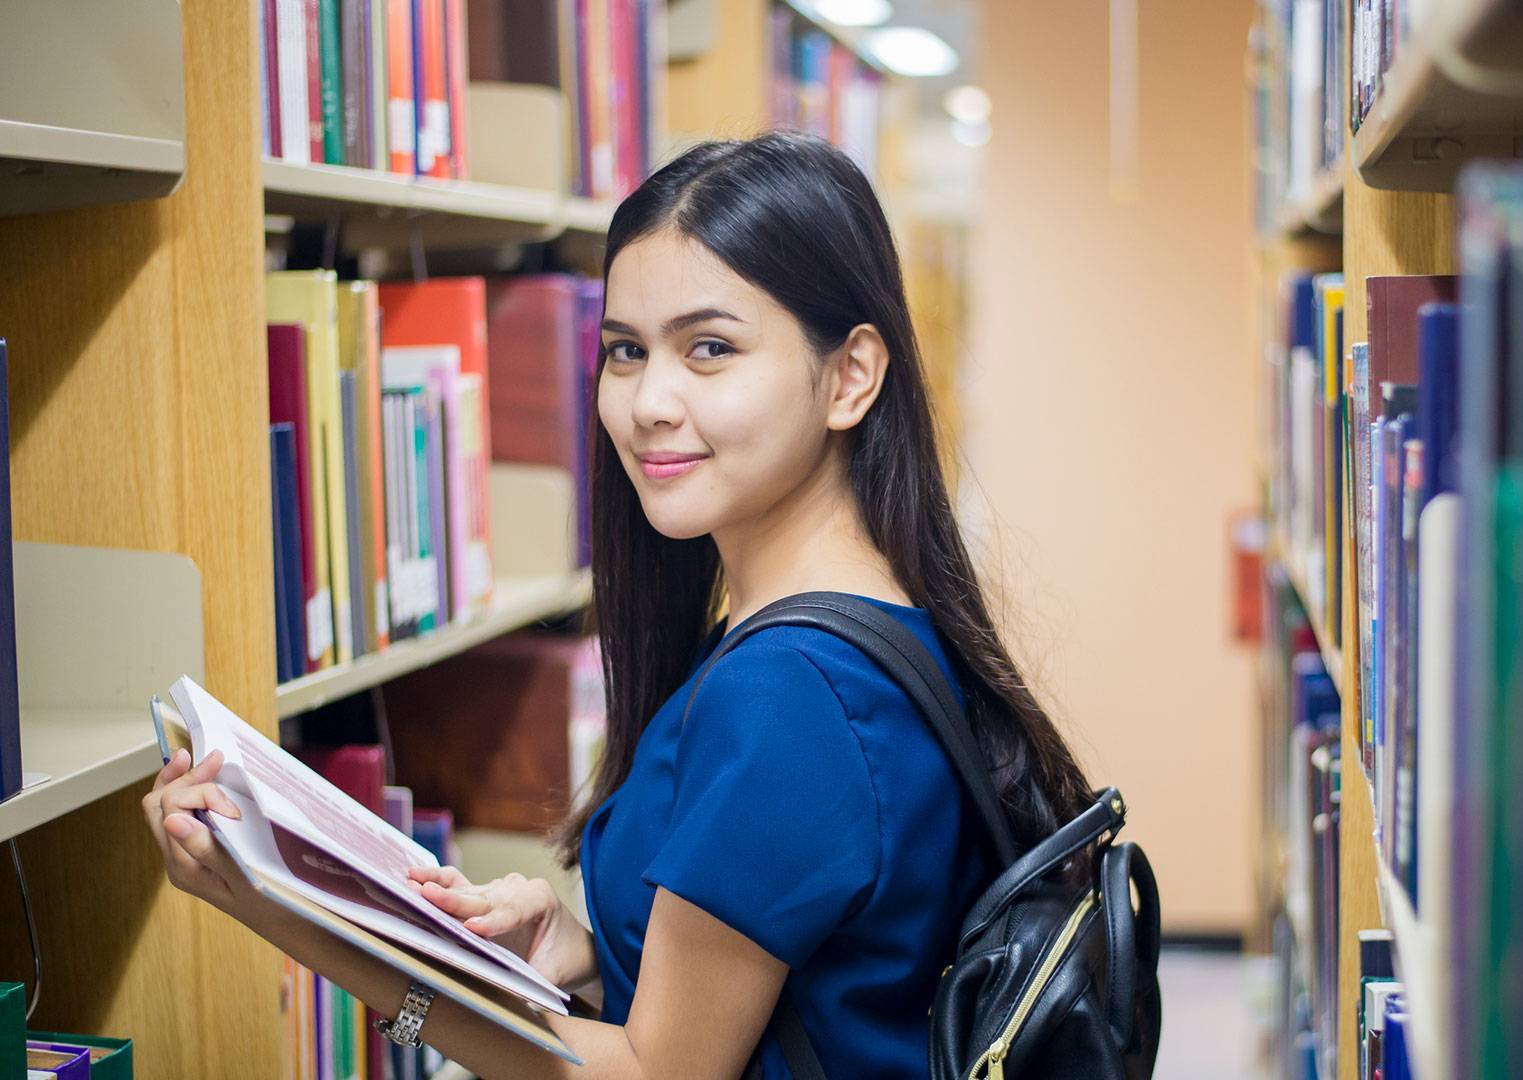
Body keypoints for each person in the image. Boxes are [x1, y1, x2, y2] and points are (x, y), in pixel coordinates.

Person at [142, 132, 1095, 1079]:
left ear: (849, 376)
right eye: (626, 351)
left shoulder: (794, 691)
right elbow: (840, 973)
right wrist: (590, 951)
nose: (648, 402)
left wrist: (304, 923)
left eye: (710, 348)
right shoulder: (870, 623)